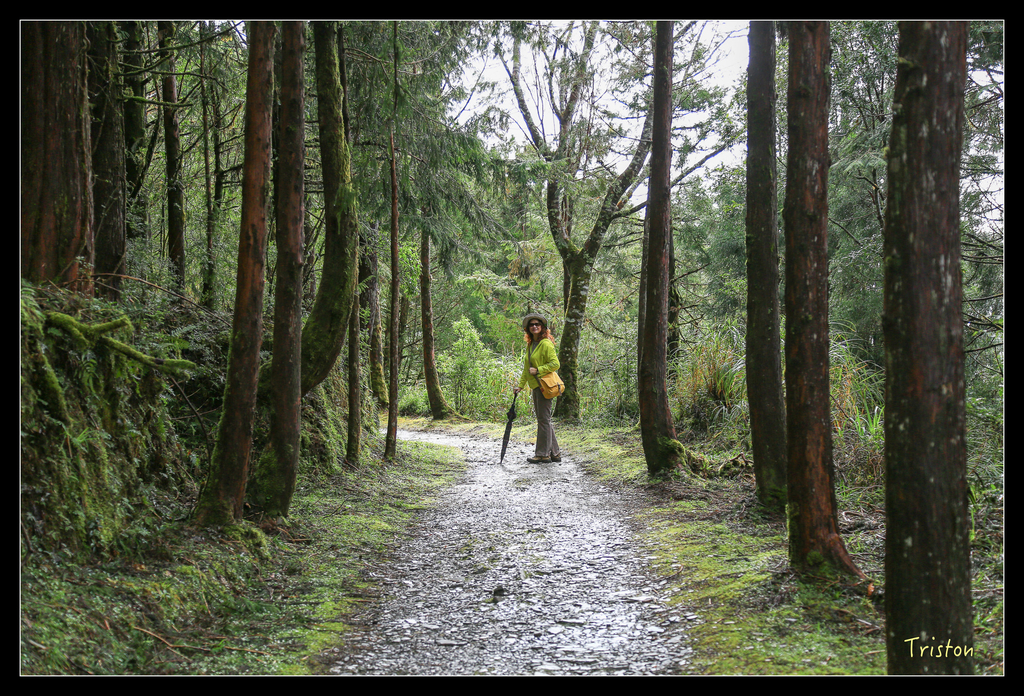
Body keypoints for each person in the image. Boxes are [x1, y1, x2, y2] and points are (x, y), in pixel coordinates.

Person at [514, 313, 561, 463]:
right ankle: (555, 453)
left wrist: (539, 370)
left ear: (542, 328)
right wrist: (520, 386)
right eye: (532, 325)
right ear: (528, 329)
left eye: (537, 324)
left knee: (543, 420)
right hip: (536, 386)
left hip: (544, 386)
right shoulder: (531, 345)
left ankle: (542, 454)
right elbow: (526, 368)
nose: (534, 326)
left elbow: (555, 364)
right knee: (544, 419)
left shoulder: (546, 343)